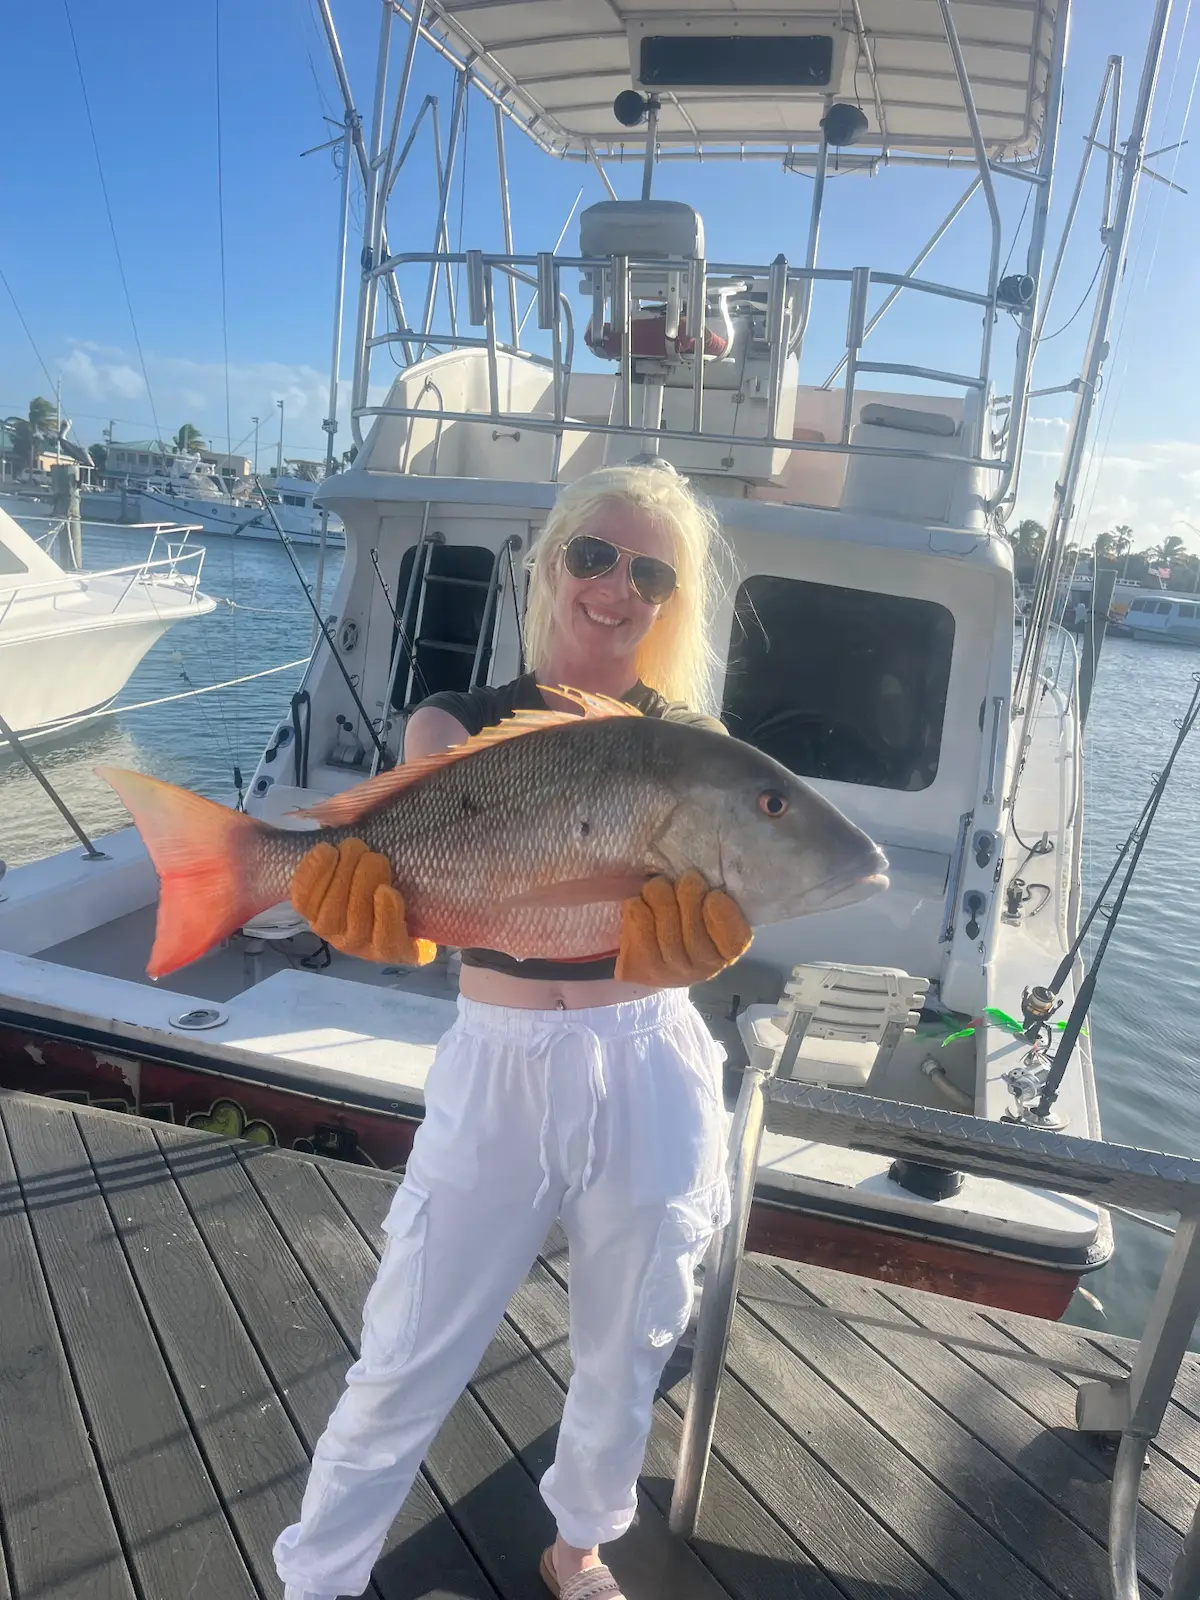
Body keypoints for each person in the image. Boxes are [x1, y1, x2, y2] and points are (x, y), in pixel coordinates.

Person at [273, 463, 752, 1600]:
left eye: (651, 573)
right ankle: (318, 1578)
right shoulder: (452, 721)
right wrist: (391, 930)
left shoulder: (693, 744)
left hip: (649, 1059)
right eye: (594, 555)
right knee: (406, 1347)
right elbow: (419, 884)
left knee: (630, 1339)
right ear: (550, 561)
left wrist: (713, 943)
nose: (617, 587)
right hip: (498, 1066)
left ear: (672, 601)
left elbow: (726, 880)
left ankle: (578, 1546)